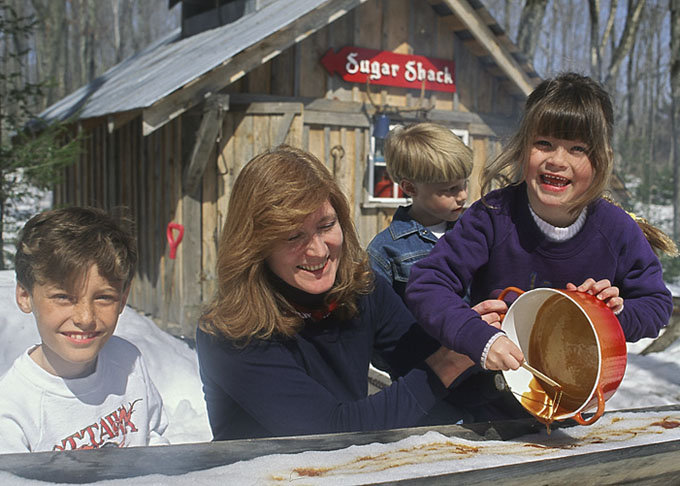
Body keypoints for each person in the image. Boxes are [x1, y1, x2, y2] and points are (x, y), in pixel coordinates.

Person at [405, 72, 674, 421]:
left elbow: (656, 305)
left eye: (578, 149)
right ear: (522, 146)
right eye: (544, 143)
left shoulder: (617, 229)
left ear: (602, 159)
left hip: (573, 406)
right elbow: (427, 284)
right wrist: (478, 338)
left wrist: (610, 319)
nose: (557, 160)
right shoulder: (492, 217)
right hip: (482, 407)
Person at [195, 145, 503, 441]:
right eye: (293, 236)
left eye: (326, 225)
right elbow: (328, 432)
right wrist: (447, 364)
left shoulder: (361, 291)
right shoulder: (230, 331)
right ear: (256, 244)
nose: (317, 251)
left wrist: (489, 353)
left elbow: (438, 374)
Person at [0, 207, 169, 453]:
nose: (85, 318)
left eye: (103, 298)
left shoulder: (128, 362)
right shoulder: (11, 408)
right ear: (25, 296)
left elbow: (154, 440)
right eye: (63, 297)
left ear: (123, 299)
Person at [367, 122, 472, 299]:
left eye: (464, 185)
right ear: (410, 188)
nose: (462, 196)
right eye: (451, 189)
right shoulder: (385, 250)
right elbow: (378, 316)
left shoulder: (473, 231)